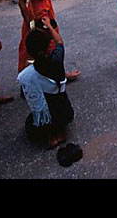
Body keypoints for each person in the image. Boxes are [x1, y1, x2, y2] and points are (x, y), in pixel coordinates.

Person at [17, 20, 75, 149]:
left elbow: (27, 96)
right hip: (65, 113)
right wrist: (49, 26)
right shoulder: (57, 60)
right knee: (57, 106)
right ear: (49, 45)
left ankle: (50, 137)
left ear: (29, 52)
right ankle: (59, 132)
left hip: (48, 116)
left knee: (30, 124)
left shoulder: (29, 73)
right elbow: (60, 42)